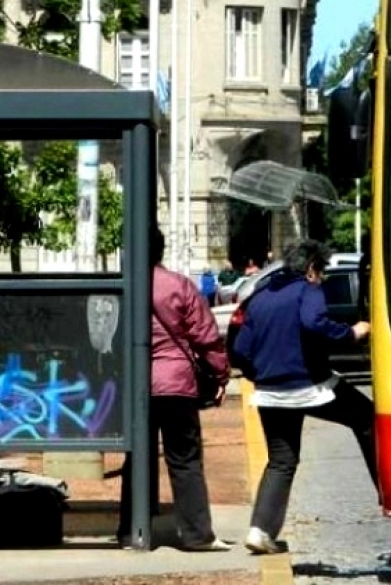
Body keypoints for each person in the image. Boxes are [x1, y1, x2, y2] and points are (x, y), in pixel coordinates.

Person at [231, 240, 375, 554]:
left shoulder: (260, 297)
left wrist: (263, 374)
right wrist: (352, 333)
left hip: (270, 392)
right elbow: (314, 322)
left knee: (281, 461)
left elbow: (240, 350)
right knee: (367, 418)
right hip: (311, 385)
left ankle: (260, 530)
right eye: (321, 271)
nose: (321, 278)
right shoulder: (307, 290)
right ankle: (389, 492)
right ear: (311, 268)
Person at [117, 224, 232, 551]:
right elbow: (206, 338)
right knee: (185, 460)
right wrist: (220, 377)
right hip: (177, 383)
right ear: (160, 249)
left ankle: (130, 531)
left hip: (137, 387)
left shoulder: (123, 286)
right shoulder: (179, 285)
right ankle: (197, 535)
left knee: (136, 459)